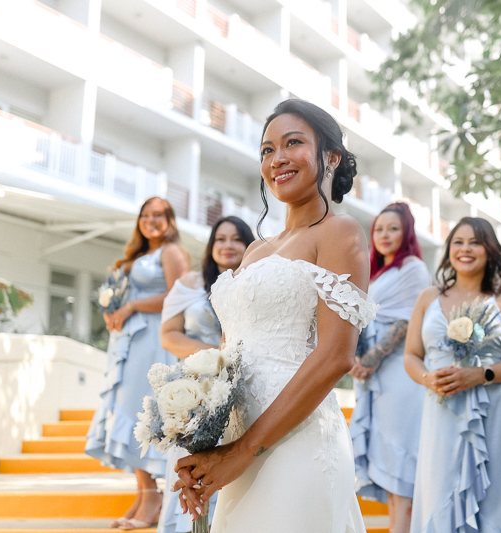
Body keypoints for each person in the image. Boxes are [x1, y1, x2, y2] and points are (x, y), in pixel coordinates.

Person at [171, 99, 377, 533]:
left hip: (294, 440)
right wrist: (204, 441)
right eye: (267, 150)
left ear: (331, 157)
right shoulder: (255, 250)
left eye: (293, 143)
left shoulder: (340, 233)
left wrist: (242, 451)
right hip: (237, 439)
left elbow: (335, 356)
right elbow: (230, 356)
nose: (277, 158)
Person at [404, 217, 501, 533]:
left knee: (500, 499)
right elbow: (411, 355)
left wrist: (482, 374)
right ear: (448, 249)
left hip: (497, 414)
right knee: (441, 493)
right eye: (458, 242)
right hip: (442, 412)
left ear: (490, 250)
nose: (465, 249)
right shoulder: (428, 297)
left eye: (475, 242)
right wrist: (428, 379)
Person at [85, 197, 190, 530]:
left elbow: (178, 296)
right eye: (145, 215)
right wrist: (113, 310)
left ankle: (153, 497)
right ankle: (145, 494)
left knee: (142, 411)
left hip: (153, 341)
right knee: (129, 413)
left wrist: (131, 307)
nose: (151, 220)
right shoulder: (135, 256)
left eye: (158, 215)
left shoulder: (171, 252)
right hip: (129, 343)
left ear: (170, 220)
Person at [157, 216, 255, 533]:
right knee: (192, 469)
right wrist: (215, 356)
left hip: (245, 387)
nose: (228, 245)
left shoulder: (255, 285)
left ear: (249, 244)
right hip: (196, 388)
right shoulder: (190, 283)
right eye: (220, 239)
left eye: (236, 239)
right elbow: (169, 335)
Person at [349, 202, 429, 533]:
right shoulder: (375, 270)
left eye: (393, 229)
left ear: (406, 233)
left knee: (402, 459)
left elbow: (408, 320)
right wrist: (356, 359)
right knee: (387, 462)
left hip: (398, 371)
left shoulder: (413, 268)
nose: (385, 235)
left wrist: (372, 358)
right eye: (379, 229)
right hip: (371, 372)